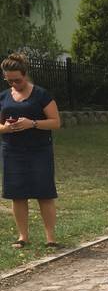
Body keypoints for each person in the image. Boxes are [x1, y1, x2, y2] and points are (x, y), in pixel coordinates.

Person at [1, 53, 62, 249]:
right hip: (12, 151)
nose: (14, 84)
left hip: (39, 150)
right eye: (9, 80)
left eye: (17, 80)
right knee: (17, 194)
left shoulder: (41, 95)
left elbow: (55, 122)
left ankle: (50, 238)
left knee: (44, 193)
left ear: (25, 75)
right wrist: (6, 128)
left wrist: (32, 123)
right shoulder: (3, 97)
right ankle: (22, 237)